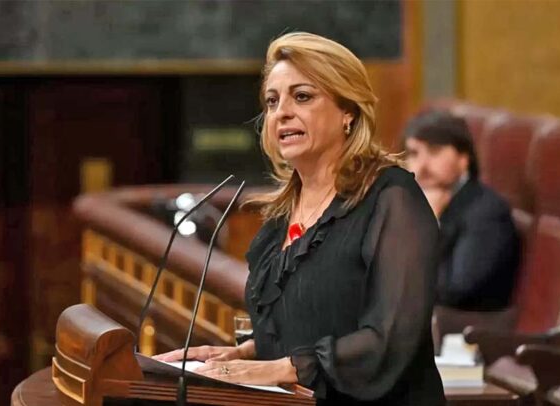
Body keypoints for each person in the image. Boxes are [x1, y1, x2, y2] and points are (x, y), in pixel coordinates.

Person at [154, 32, 445, 405]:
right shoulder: (280, 215)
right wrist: (243, 354)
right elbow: (312, 322)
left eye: (302, 96)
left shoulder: (392, 199)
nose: (282, 112)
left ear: (348, 112)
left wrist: (280, 368)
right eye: (272, 101)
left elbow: (390, 338)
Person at [403, 111, 520, 311]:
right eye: (414, 154)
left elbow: (452, 291)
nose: (421, 167)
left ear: (464, 158)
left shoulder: (487, 212)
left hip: (461, 330)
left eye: (434, 151)